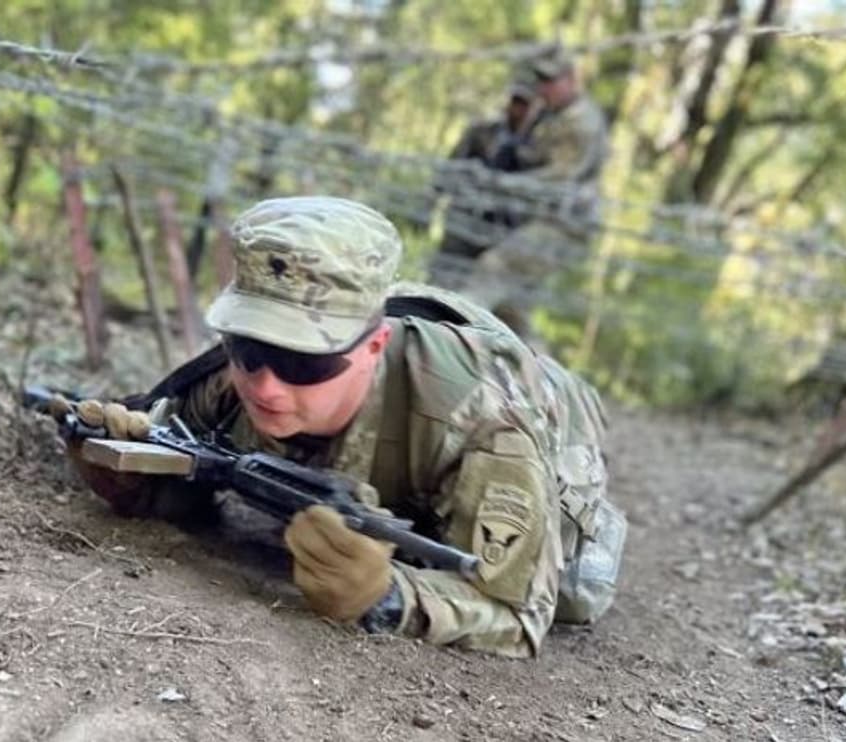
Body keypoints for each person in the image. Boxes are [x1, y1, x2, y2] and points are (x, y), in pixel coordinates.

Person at [59, 196, 626, 658]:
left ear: (374, 346)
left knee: (576, 590)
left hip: (552, 417)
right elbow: (174, 473)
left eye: (306, 361)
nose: (267, 385)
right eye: (248, 347)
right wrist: (120, 468)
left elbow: (518, 614)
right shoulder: (229, 379)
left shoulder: (480, 422)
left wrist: (388, 597)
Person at [461, 46, 609, 339]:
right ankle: (538, 373)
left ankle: (451, 332)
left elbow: (558, 179)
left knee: (495, 268)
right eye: (540, 79)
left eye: (551, 80)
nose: (544, 87)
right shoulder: (551, 114)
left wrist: (501, 184)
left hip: (565, 225)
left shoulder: (581, 123)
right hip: (541, 217)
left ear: (571, 79)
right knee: (512, 307)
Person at [428, 71, 542, 291]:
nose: (517, 110)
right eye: (515, 102)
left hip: (504, 230)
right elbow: (453, 166)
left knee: (484, 292)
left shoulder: (538, 147)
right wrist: (433, 199)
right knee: (443, 281)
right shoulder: (481, 132)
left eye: (525, 104)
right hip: (464, 218)